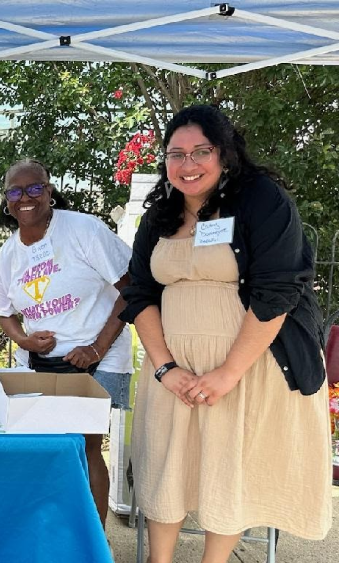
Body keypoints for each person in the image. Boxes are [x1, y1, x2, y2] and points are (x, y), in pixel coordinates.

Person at [120, 104, 332, 562]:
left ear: (225, 154)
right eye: (176, 154)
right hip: (173, 373)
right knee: (164, 471)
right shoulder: (160, 214)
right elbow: (139, 295)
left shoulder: (262, 200)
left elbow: (279, 291)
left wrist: (227, 374)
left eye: (201, 151)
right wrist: (164, 368)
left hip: (245, 371)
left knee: (226, 474)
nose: (188, 164)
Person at [0, 158, 132, 527]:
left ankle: (94, 541)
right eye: (15, 191)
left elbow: (131, 289)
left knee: (86, 448)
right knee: (44, 448)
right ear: (6, 200)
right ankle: (53, 530)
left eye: (35, 188)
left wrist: (96, 347)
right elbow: (3, 311)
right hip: (42, 364)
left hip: (97, 357)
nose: (25, 198)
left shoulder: (84, 230)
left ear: (49, 192)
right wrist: (24, 339)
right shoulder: (9, 253)